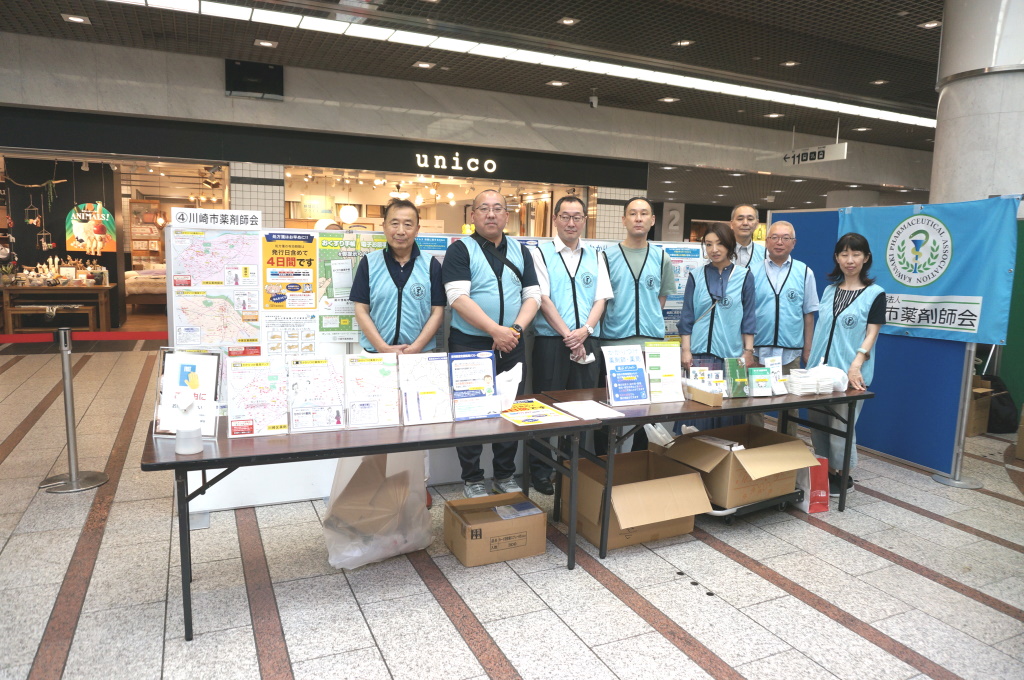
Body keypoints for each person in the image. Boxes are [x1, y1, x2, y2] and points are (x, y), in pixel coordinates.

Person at [442, 190, 541, 498]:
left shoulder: (521, 251)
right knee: (471, 411)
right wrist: (495, 331)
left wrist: (513, 330)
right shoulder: (461, 250)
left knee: (509, 409)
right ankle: (472, 478)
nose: (491, 214)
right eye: (483, 209)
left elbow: (533, 296)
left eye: (498, 208)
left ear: (506, 216)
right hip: (469, 343)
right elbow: (457, 297)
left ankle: (505, 474)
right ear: (472, 216)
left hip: (512, 341)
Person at [527, 195, 613, 494]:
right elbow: (542, 298)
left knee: (584, 407)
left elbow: (601, 297)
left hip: (589, 340)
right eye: (565, 216)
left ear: (584, 220)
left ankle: (574, 465)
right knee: (545, 408)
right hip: (552, 342)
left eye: (577, 217)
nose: (571, 222)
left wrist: (585, 331)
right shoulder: (540, 254)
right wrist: (569, 335)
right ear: (555, 219)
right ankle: (541, 470)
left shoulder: (596, 256)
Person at [806, 232, 885, 497]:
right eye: (844, 254)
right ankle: (824, 469)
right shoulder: (829, 290)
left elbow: (872, 333)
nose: (850, 260)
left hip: (848, 373)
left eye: (856, 254)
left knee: (841, 424)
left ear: (866, 258)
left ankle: (842, 474)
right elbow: (821, 330)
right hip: (818, 372)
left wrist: (857, 364)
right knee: (817, 422)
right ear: (837, 258)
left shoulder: (875, 293)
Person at [599, 196, 673, 451]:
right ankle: (605, 463)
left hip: (651, 346)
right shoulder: (607, 257)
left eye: (644, 214)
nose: (638, 218)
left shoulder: (662, 258)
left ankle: (639, 461)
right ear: (623, 220)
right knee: (609, 412)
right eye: (632, 213)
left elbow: (660, 298)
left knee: (646, 414)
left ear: (653, 220)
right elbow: (601, 300)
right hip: (614, 344)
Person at [678, 221, 756, 429]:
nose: (714, 250)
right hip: (700, 355)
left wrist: (748, 351)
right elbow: (687, 316)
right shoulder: (696, 276)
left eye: (720, 244)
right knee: (698, 413)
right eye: (709, 244)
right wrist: (686, 350)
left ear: (730, 246)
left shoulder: (744, 276)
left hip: (733, 357)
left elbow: (749, 317)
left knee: (729, 414)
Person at [349, 198, 445, 354]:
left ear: (417, 229)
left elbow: (438, 311)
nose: (401, 231)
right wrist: (383, 348)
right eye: (394, 224)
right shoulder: (369, 263)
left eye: (408, 224)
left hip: (419, 354)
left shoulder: (431, 265)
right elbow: (361, 309)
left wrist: (416, 347)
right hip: (375, 353)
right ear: (384, 226)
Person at [750, 220, 819, 434]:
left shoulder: (804, 272)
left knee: (790, 406)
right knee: (754, 404)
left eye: (785, 238)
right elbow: (744, 314)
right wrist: (746, 350)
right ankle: (755, 447)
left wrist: (807, 349)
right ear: (767, 241)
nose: (779, 242)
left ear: (794, 243)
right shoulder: (751, 271)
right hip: (757, 351)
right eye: (774, 237)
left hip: (791, 353)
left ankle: (787, 449)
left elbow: (809, 313)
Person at [730, 204, 766, 274]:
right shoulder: (720, 251)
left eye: (750, 219)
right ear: (732, 224)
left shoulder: (765, 254)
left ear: (757, 224)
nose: (745, 223)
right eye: (740, 219)